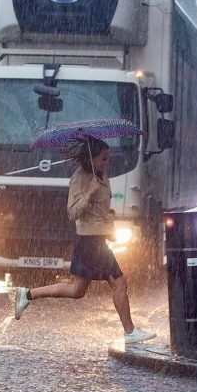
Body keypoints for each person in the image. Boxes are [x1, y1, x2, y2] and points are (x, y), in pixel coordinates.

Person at [13, 137, 157, 344]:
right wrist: (89, 193)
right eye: (103, 159)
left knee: (77, 290)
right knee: (119, 282)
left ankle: (27, 294)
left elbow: (100, 208)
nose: (106, 163)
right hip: (91, 242)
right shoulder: (80, 179)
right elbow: (72, 213)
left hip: (96, 238)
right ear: (91, 159)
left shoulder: (101, 176)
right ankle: (130, 331)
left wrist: (109, 215)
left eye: (107, 159)